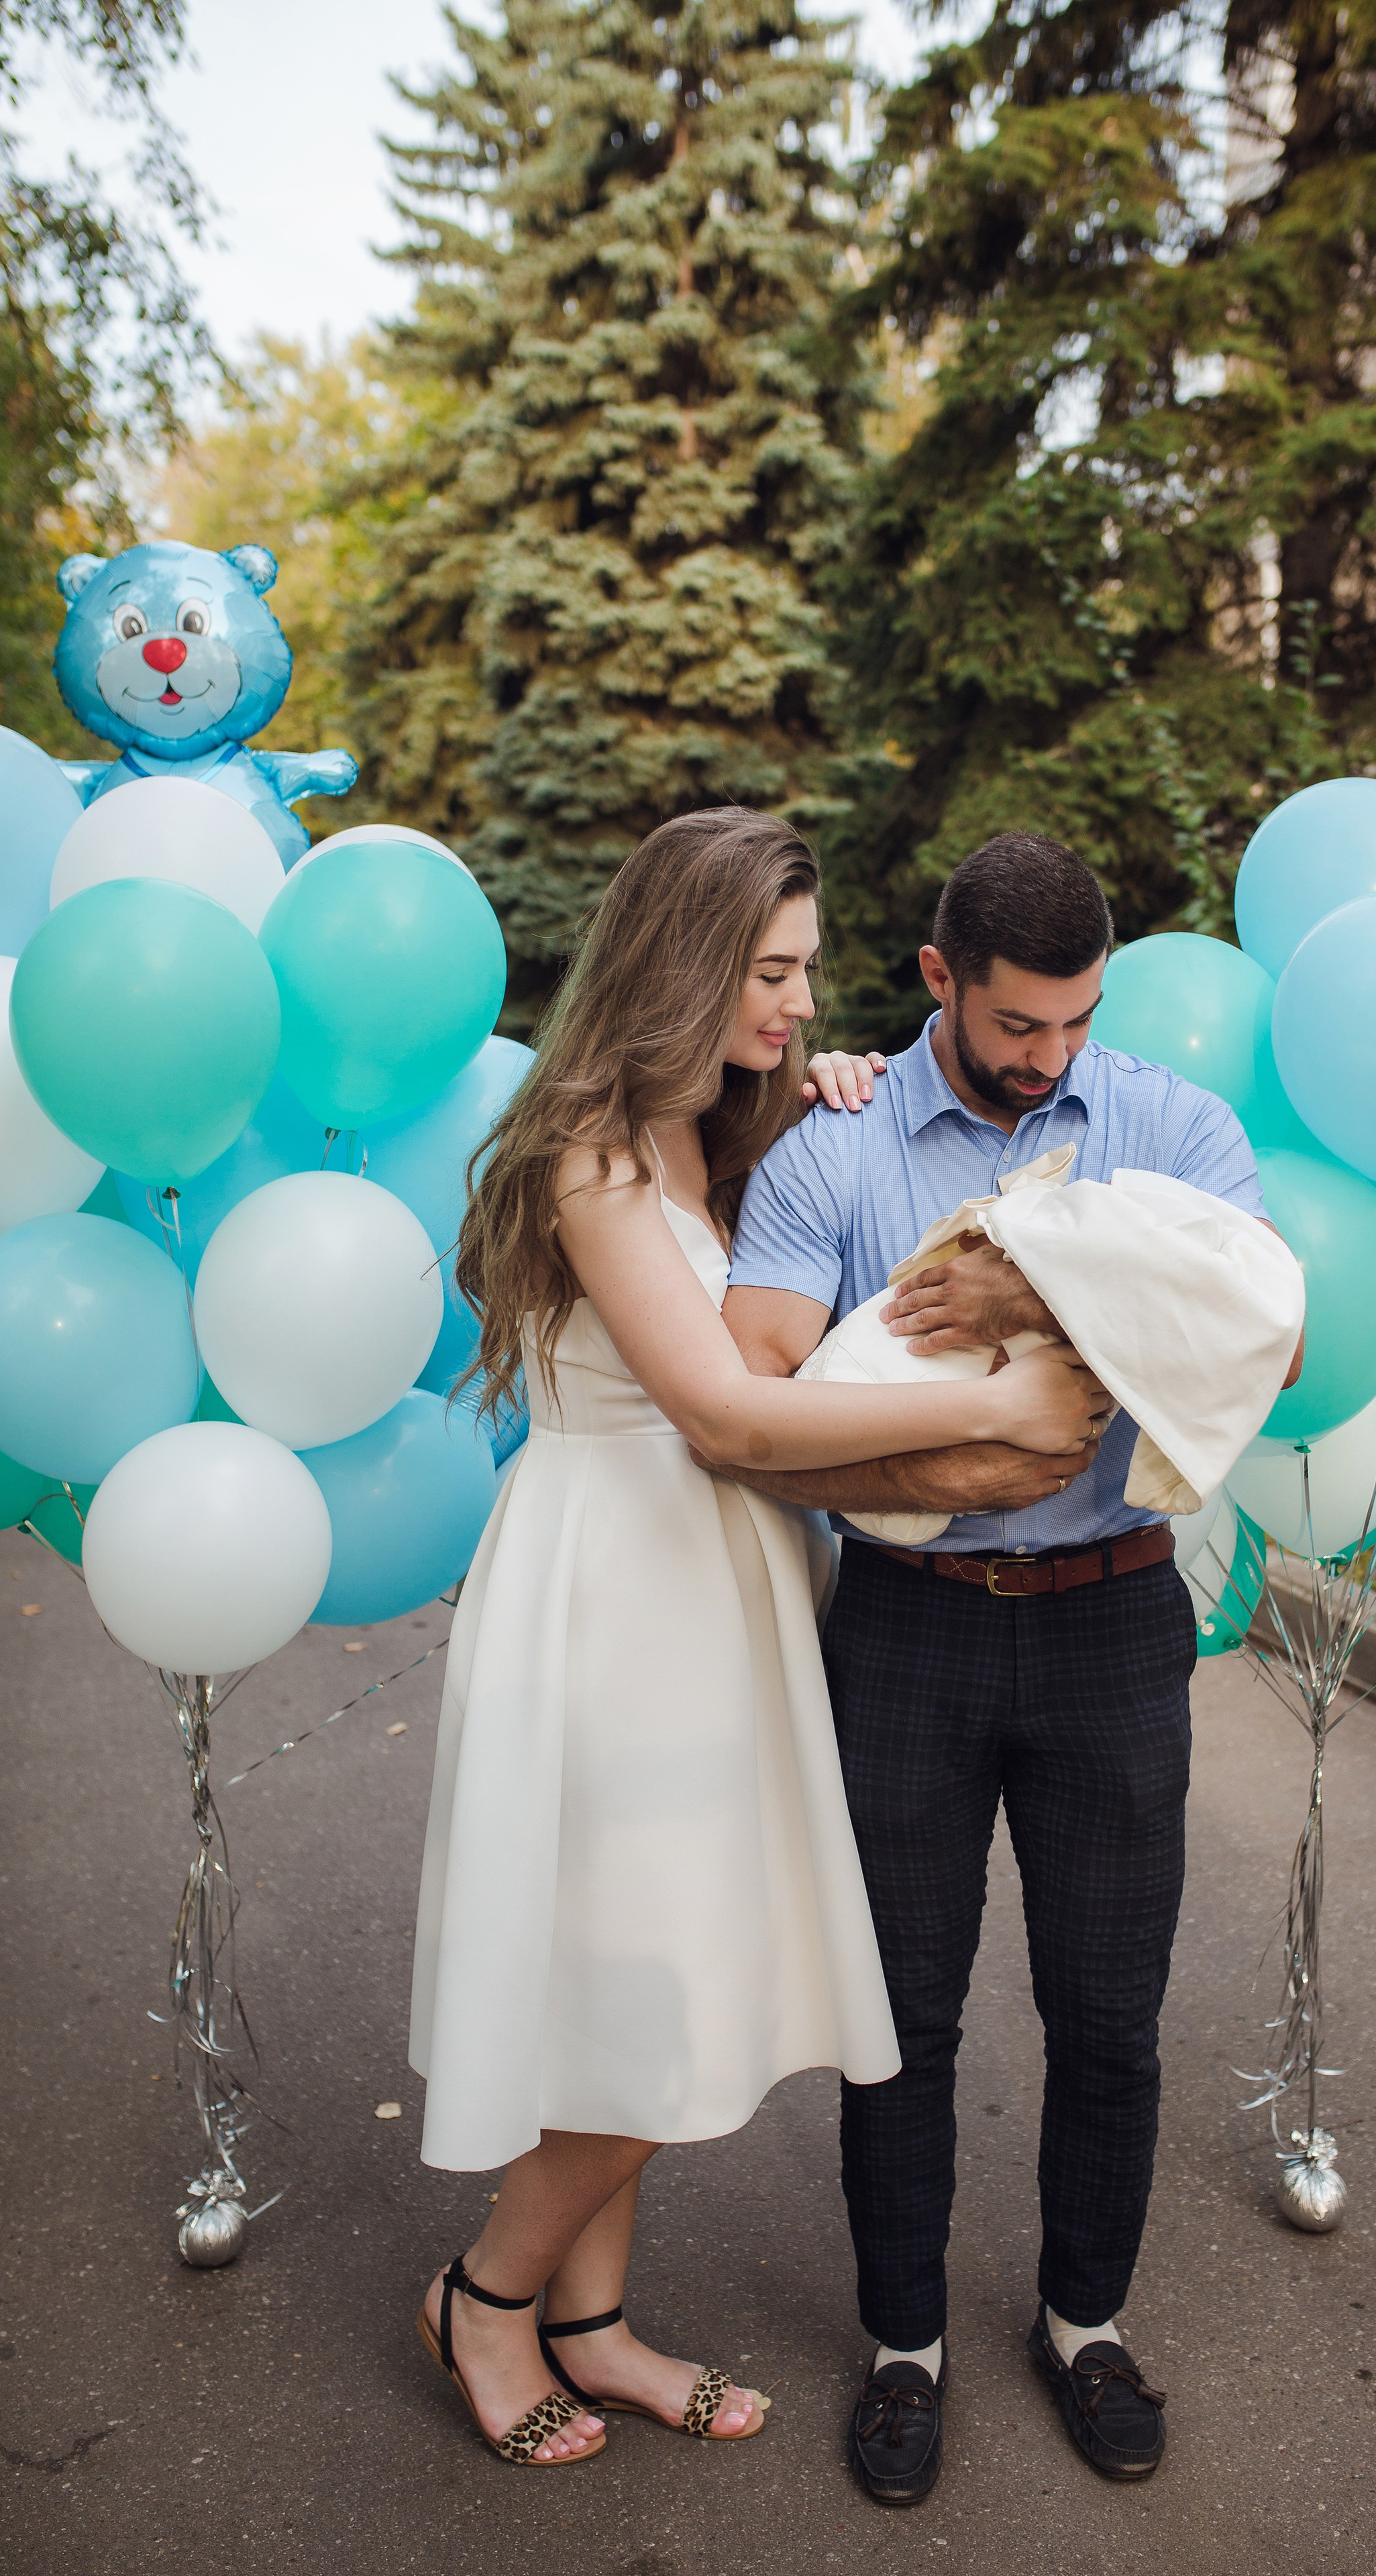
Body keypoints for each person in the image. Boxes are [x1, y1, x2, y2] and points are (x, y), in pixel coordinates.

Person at [406, 810, 1105, 2471]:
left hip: (708, 1593)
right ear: (688, 960)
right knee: (655, 1979)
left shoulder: (702, 1126)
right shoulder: (583, 1151)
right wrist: (991, 1400)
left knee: (641, 1972)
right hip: (615, 1594)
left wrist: (825, 1082)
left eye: (803, 974)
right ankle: (484, 2300)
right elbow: (725, 1401)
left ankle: (592, 2324)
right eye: (773, 973)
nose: (798, 1003)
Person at [721, 831, 1304, 2504]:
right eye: (1014, 1027)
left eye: (1074, 1022)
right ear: (935, 985)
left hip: (1114, 1618)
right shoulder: (832, 1150)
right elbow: (756, 1397)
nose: (1049, 1060)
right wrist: (1038, 1358)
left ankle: (1083, 2323)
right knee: (894, 2019)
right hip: (901, 1633)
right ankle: (902, 2351)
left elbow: (1248, 1328)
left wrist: (1027, 1276)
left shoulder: (1168, 1125)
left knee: (1108, 2014)